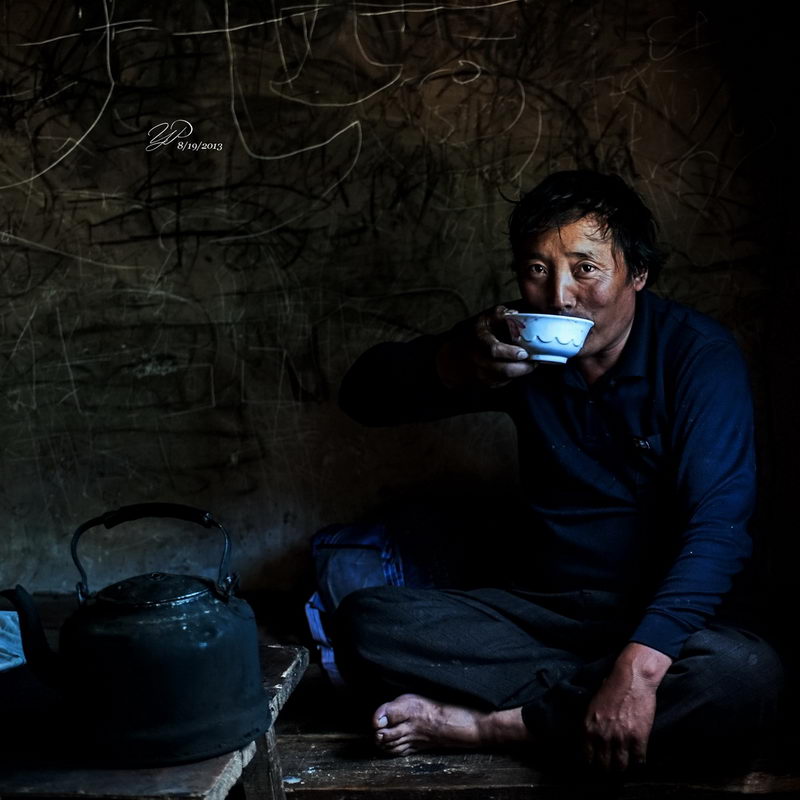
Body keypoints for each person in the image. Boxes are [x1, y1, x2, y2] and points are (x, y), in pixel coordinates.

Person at [333, 170, 783, 772]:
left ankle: (491, 727)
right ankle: (589, 708)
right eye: (537, 269)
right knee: (368, 623)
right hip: (548, 616)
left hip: (663, 618)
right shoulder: (514, 345)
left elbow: (719, 528)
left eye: (586, 268)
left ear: (638, 274)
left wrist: (641, 665)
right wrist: (456, 360)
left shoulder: (697, 357)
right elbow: (362, 397)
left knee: (743, 676)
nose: (559, 296)